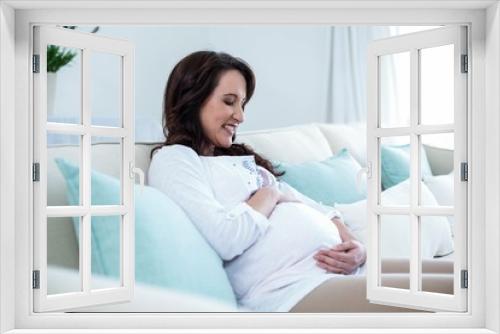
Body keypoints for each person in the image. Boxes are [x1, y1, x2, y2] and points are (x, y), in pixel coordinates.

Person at [148, 50, 452, 312]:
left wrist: (354, 244)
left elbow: (313, 206)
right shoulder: (175, 160)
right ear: (192, 99)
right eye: (229, 102)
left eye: (242, 104)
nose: (240, 116)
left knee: (465, 281)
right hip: (289, 289)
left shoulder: (240, 161)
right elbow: (227, 239)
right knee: (441, 298)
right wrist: (267, 196)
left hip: (339, 270)